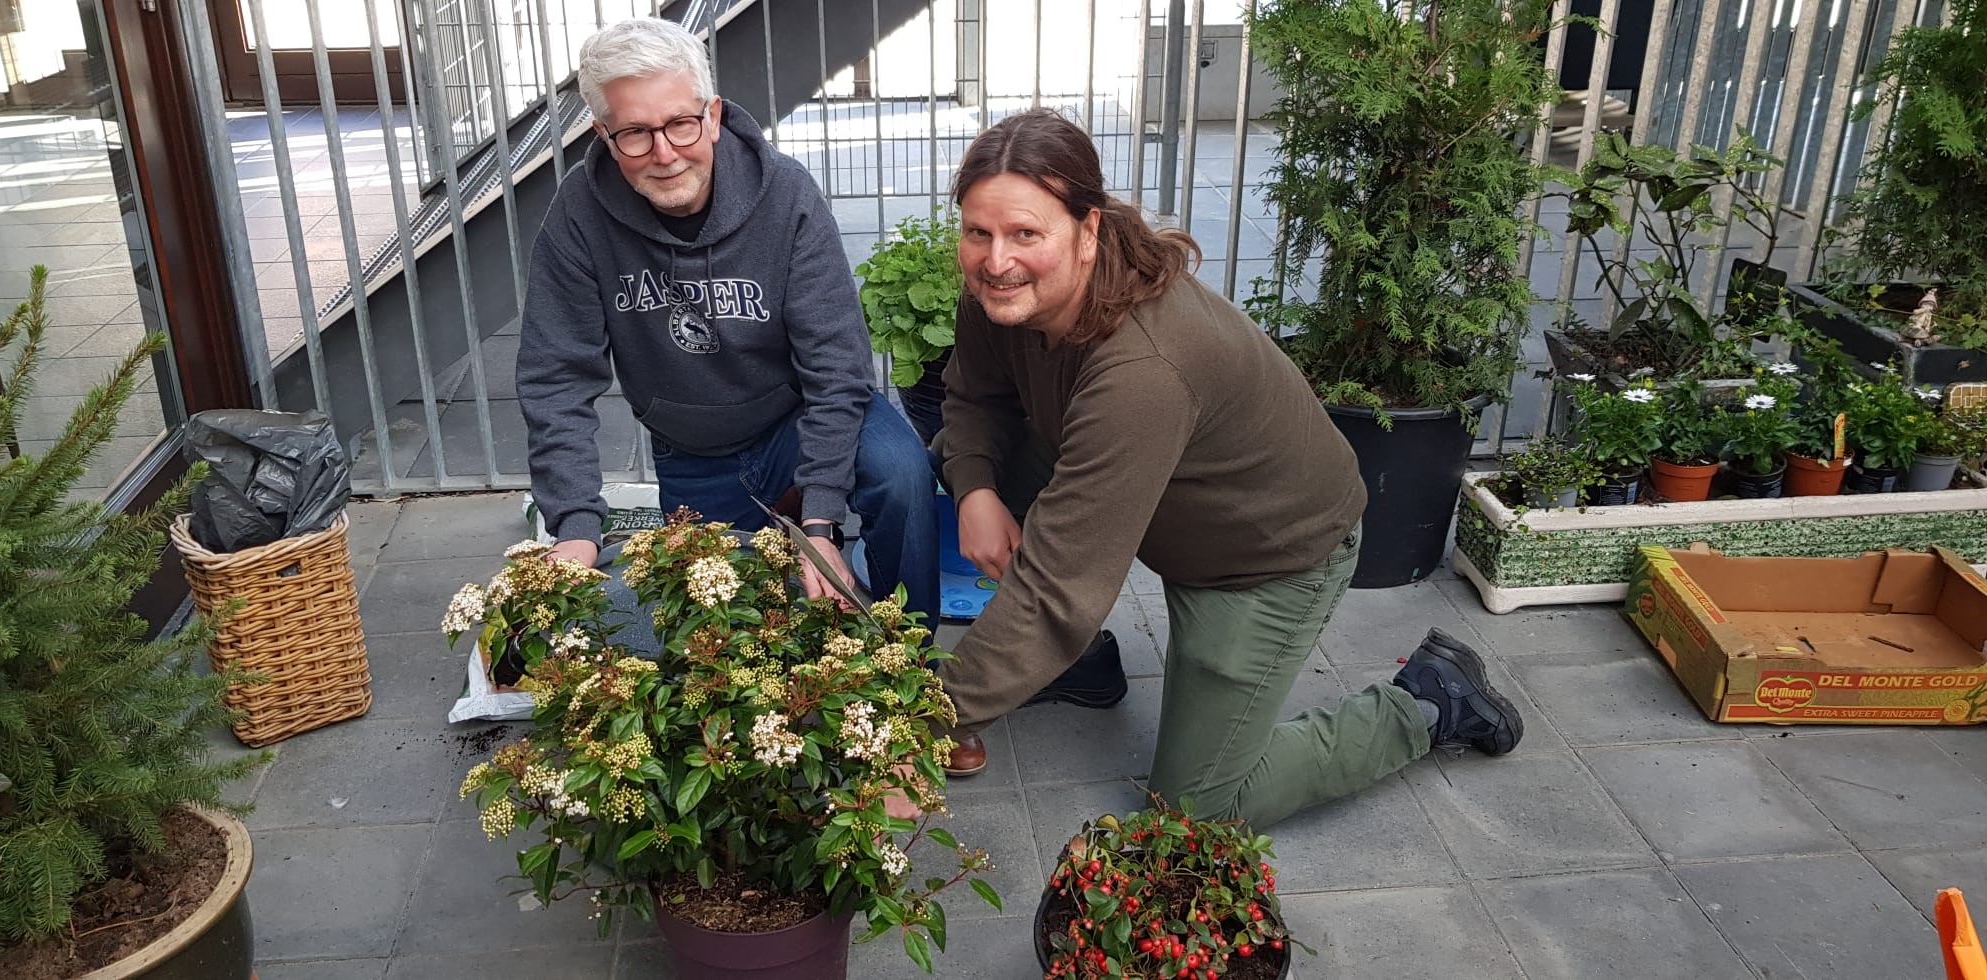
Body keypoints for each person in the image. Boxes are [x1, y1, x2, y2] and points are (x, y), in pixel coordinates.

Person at [920, 109, 1523, 827]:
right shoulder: (1003, 290)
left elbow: (1059, 587)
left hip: (1261, 554)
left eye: (1026, 234)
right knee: (961, 462)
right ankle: (1072, 664)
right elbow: (975, 395)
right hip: (1159, 494)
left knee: (1198, 805)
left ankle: (1431, 700)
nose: (996, 259)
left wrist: (920, 726)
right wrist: (980, 489)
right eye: (977, 232)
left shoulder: (1142, 369)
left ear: (1088, 231)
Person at [516, 17, 937, 630]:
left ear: (711, 115)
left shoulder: (786, 195)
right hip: (693, 452)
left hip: (795, 422)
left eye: (681, 124)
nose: (663, 154)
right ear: (605, 135)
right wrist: (576, 528)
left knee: (901, 471)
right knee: (721, 641)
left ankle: (918, 668)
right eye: (635, 132)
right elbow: (555, 377)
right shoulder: (580, 214)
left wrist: (819, 520)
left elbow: (836, 363)